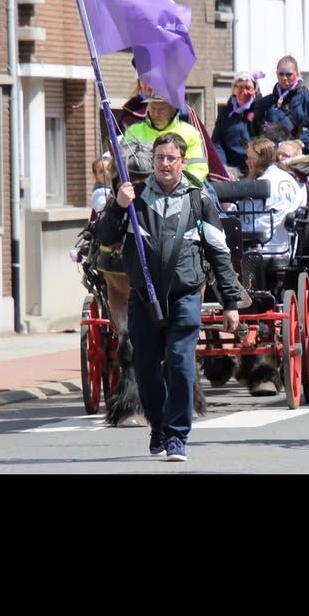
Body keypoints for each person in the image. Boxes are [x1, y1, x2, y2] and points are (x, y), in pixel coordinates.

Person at [95, 132, 242, 461]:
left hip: (185, 294)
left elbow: (219, 253)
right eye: (159, 158)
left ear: (182, 162)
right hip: (143, 297)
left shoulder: (198, 199)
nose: (164, 163)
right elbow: (106, 237)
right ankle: (159, 426)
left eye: (171, 158)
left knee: (179, 361)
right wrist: (118, 207)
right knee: (145, 368)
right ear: (153, 161)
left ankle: (177, 436)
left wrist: (230, 303)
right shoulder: (133, 198)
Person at [119, 85, 210, 188]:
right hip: (141, 190)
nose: (156, 113)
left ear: (173, 110)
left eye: (161, 109)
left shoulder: (190, 133)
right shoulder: (133, 131)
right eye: (153, 107)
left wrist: (183, 188)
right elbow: (123, 165)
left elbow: (198, 168)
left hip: (181, 190)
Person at [256, 57, 309, 153]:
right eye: (281, 74)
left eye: (289, 74)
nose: (284, 78)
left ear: (297, 74)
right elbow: (256, 132)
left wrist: (298, 142)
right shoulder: (265, 103)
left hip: (303, 157)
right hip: (275, 159)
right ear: (277, 74)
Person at [212, 73, 265, 174]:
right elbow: (217, 143)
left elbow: (265, 141)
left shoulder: (261, 110)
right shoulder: (225, 114)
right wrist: (222, 166)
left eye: (248, 88)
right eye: (240, 87)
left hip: (256, 167)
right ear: (234, 90)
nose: (244, 92)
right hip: (232, 168)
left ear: (254, 90)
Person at [89, 155, 114, 219]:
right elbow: (102, 207)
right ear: (96, 177)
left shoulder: (115, 186)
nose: (106, 172)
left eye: (109, 169)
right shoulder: (98, 193)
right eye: (101, 171)